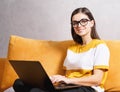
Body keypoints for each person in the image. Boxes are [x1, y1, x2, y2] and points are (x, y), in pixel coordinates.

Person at [13, 7, 110, 92]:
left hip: (88, 89)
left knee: (35, 91)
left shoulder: (100, 46)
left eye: (83, 21)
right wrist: (54, 79)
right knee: (19, 83)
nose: (79, 25)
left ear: (92, 23)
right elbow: (68, 75)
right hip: (69, 86)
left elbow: (97, 79)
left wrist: (69, 80)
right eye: (75, 23)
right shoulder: (72, 48)